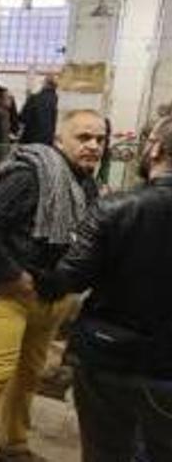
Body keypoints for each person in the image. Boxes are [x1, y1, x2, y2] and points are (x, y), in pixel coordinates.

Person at [0, 109, 107, 462]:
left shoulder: (86, 184)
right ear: (59, 140)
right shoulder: (31, 176)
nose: (93, 146)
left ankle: (12, 446)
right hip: (12, 297)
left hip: (53, 297)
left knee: (28, 378)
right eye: (83, 137)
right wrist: (14, 275)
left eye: (99, 139)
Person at [43, 116, 172, 462]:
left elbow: (70, 278)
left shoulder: (116, 208)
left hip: (110, 359)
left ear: (156, 149)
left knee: (106, 451)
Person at [20, 75, 59, 145]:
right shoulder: (58, 102)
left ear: (45, 84)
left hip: (31, 139)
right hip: (49, 141)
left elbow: (23, 118)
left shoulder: (34, 99)